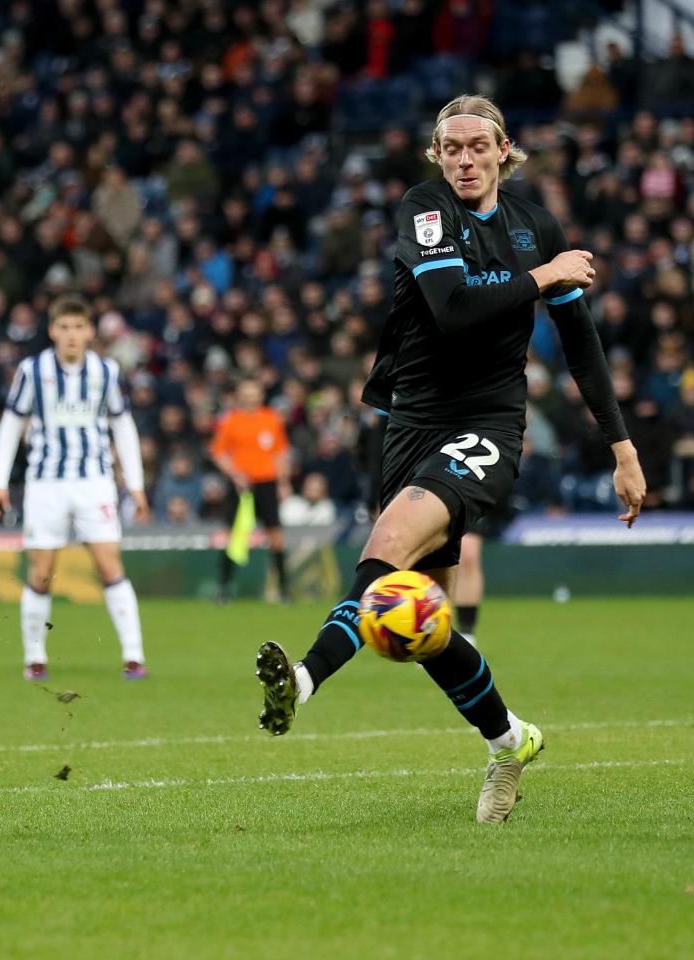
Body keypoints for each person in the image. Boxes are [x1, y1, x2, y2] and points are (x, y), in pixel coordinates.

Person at [255, 95, 646, 823]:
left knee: (385, 550)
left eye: (478, 146)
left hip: (486, 424)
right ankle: (511, 741)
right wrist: (544, 276)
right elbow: (454, 306)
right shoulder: (425, 210)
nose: (464, 159)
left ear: (505, 151)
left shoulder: (536, 227)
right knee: (425, 626)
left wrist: (621, 446)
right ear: (436, 156)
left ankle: (304, 681)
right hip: (411, 420)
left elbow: (582, 345)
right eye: (451, 147)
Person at [0, 296, 150, 681]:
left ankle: (134, 655)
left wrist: (136, 483)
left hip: (95, 481)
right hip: (45, 484)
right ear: (52, 330)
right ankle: (35, 658)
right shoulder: (32, 370)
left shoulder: (106, 371)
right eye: (65, 327)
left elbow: (123, 426)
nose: (72, 335)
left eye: (79, 327)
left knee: (110, 564)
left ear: (90, 331)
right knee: (41, 571)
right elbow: (11, 424)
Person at [211, 378, 292, 604]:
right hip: (241, 487)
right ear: (239, 396)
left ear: (261, 395)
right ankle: (224, 589)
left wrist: (284, 483)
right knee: (233, 537)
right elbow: (219, 453)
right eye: (246, 394)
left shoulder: (271, 419)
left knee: (276, 537)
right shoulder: (230, 421)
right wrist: (235, 475)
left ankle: (285, 590)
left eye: (254, 393)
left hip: (267, 483)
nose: (250, 398)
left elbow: (280, 454)